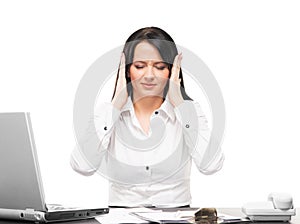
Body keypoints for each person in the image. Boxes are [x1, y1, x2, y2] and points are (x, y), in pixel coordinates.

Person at [70, 27, 224, 208]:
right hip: (121, 218)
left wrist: (181, 106)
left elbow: (212, 165)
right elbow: (81, 165)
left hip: (175, 217)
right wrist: (115, 107)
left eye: (159, 67)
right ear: (127, 70)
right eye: (140, 66)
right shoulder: (108, 113)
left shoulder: (188, 111)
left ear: (172, 71)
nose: (149, 75)